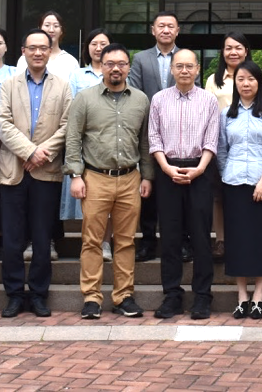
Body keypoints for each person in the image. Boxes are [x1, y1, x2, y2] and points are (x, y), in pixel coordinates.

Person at [64, 43, 155, 319]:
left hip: (129, 179)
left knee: (126, 241)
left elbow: (144, 142)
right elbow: (73, 138)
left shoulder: (141, 100)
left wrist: (147, 176)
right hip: (95, 178)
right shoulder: (85, 98)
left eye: (121, 64)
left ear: (128, 67)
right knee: (92, 241)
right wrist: (76, 175)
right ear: (101, 66)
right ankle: (91, 297)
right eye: (110, 64)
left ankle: (123, 296)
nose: (116, 69)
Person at [0, 28, 73, 318]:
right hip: (13, 172)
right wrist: (29, 152)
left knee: (42, 239)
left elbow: (67, 126)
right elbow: (3, 124)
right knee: (12, 239)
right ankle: (15, 295)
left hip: (46, 171)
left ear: (50, 51)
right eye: (32, 48)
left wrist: (41, 153)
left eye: (43, 48)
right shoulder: (8, 85)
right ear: (23, 52)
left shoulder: (63, 86)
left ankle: (39, 294)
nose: (38, 52)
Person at [148, 49, 221, 319]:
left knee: (201, 236)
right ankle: (172, 295)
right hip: (167, 171)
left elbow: (212, 139)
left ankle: (202, 296)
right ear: (172, 69)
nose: (184, 71)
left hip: (200, 170)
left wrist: (199, 169)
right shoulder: (158, 99)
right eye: (179, 66)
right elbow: (154, 138)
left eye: (189, 66)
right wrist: (166, 168)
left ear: (198, 69)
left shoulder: (209, 100)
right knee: (169, 236)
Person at [217, 59, 262, 320]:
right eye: (241, 79)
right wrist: (226, 174)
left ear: (260, 83)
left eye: (251, 79)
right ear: (235, 83)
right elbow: (221, 149)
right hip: (233, 183)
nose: (246, 84)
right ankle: (242, 295)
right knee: (237, 240)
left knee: (260, 239)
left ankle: (258, 294)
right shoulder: (226, 113)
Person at [128, 11, 181, 262]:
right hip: (148, 132)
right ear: (153, 30)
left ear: (177, 30)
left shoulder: (185, 57)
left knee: (178, 192)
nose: (166, 30)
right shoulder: (140, 58)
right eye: (161, 26)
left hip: (179, 133)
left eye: (170, 26)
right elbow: (135, 94)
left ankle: (181, 242)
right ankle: (148, 242)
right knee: (149, 187)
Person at [62, 29, 111, 258]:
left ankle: (106, 243)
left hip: (112, 142)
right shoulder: (77, 75)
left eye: (103, 43)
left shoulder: (117, 72)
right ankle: (89, 244)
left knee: (110, 203)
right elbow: (71, 110)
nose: (99, 47)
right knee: (89, 199)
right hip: (85, 143)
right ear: (87, 48)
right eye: (94, 43)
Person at [205, 31, 250, 261]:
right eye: (228, 48)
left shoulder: (254, 77)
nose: (233, 52)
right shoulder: (213, 80)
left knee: (244, 194)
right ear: (222, 52)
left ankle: (242, 238)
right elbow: (207, 113)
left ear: (246, 51)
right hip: (220, 145)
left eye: (238, 47)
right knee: (219, 196)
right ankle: (221, 240)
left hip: (247, 146)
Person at [17, 10, 81, 79]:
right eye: (47, 25)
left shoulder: (70, 61)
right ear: (40, 28)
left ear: (61, 31)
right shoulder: (25, 59)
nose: (51, 30)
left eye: (56, 26)